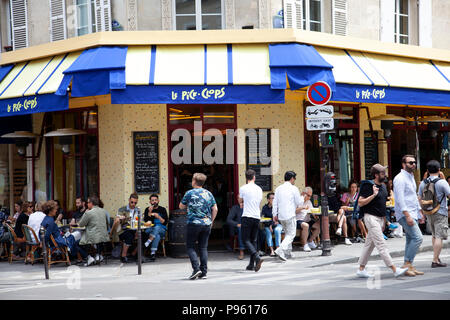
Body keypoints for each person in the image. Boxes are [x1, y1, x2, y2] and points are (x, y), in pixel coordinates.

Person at [356, 164, 408, 278]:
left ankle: (361, 268)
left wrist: (385, 221)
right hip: (370, 217)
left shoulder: (384, 187)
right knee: (381, 244)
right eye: (382, 173)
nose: (385, 175)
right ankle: (394, 269)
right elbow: (360, 202)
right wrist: (373, 195)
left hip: (380, 219)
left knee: (369, 245)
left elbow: (382, 206)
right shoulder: (368, 186)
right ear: (376, 175)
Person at [179, 173, 218, 280]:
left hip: (193, 223)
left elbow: (181, 206)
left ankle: (196, 269)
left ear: (194, 181)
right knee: (203, 248)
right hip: (206, 224)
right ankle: (204, 272)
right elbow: (215, 209)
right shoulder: (209, 193)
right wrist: (211, 221)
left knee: (190, 246)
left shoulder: (189, 193)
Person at [394, 155, 424, 277]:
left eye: (414, 162)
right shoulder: (400, 178)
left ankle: (409, 265)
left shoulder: (411, 177)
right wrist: (407, 215)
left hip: (413, 212)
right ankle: (407, 264)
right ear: (403, 164)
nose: (413, 164)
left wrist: (419, 211)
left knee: (410, 239)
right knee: (418, 238)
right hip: (405, 214)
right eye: (410, 162)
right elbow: (400, 199)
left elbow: (413, 196)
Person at [418, 160, 450, 268]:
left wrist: (422, 211)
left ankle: (437, 256)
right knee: (439, 236)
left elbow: (419, 198)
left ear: (427, 171)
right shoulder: (442, 182)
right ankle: (435, 260)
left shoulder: (423, 183)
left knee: (434, 235)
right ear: (439, 170)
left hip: (428, 212)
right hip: (440, 212)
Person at [273, 171, 303, 262]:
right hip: (290, 214)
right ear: (292, 178)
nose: (295, 181)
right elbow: (299, 203)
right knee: (291, 234)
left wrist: (274, 214)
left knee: (287, 234)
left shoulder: (278, 188)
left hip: (281, 215)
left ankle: (287, 252)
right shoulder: (294, 188)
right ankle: (280, 249)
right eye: (294, 179)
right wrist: (302, 197)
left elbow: (275, 203)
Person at [238, 169, 264, 272]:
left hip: (247, 215)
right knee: (253, 240)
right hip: (257, 216)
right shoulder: (259, 189)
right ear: (254, 177)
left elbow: (240, 200)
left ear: (246, 178)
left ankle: (256, 257)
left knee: (245, 240)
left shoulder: (243, 188)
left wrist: (243, 201)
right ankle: (251, 265)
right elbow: (259, 201)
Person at [78, 195, 110, 266]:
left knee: (78, 243)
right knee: (97, 238)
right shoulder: (104, 211)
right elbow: (107, 224)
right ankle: (98, 255)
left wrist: (85, 213)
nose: (87, 204)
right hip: (104, 236)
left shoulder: (89, 213)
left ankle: (89, 257)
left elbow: (81, 224)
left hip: (93, 237)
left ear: (91, 203)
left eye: (88, 202)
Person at [116, 193, 141, 263]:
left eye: (135, 203)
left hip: (134, 229)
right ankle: (123, 256)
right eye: (132, 202)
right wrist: (122, 218)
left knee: (143, 235)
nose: (133, 204)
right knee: (129, 236)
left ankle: (134, 253)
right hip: (123, 230)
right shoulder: (122, 209)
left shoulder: (137, 210)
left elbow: (140, 220)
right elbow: (118, 219)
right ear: (129, 200)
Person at [143, 194, 169, 262]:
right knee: (156, 235)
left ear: (158, 200)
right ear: (150, 202)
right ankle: (152, 254)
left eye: (155, 200)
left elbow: (165, 222)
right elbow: (146, 222)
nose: (154, 202)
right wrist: (149, 212)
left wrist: (159, 217)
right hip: (151, 229)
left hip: (162, 229)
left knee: (157, 227)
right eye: (152, 200)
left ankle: (149, 241)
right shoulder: (147, 209)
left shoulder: (162, 209)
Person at [296, 187, 321, 251]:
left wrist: (315, 215)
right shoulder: (298, 200)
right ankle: (305, 245)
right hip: (298, 220)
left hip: (307, 219)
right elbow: (294, 211)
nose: (309, 197)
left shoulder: (309, 201)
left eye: (310, 196)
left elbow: (311, 210)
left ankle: (310, 241)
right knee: (306, 226)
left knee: (319, 224)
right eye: (308, 195)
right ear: (304, 193)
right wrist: (303, 207)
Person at [261, 192, 282, 257]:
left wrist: (271, 225)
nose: (274, 200)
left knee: (277, 230)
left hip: (277, 224)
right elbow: (262, 218)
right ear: (268, 199)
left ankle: (278, 249)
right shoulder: (265, 208)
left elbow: (278, 218)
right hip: (267, 225)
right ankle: (272, 250)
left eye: (274, 198)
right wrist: (269, 225)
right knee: (267, 231)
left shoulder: (277, 207)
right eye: (272, 198)